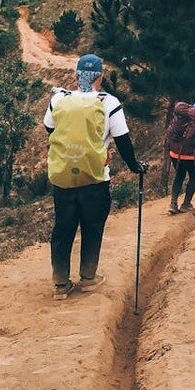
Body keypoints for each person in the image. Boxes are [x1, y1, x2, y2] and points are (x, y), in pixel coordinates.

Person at [44, 54, 144, 301]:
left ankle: (60, 284)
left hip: (64, 178)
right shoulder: (109, 102)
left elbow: (49, 127)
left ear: (76, 76)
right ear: (100, 76)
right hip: (96, 178)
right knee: (92, 227)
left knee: (63, 229)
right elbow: (123, 141)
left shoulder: (59, 98)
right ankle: (88, 279)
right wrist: (135, 167)